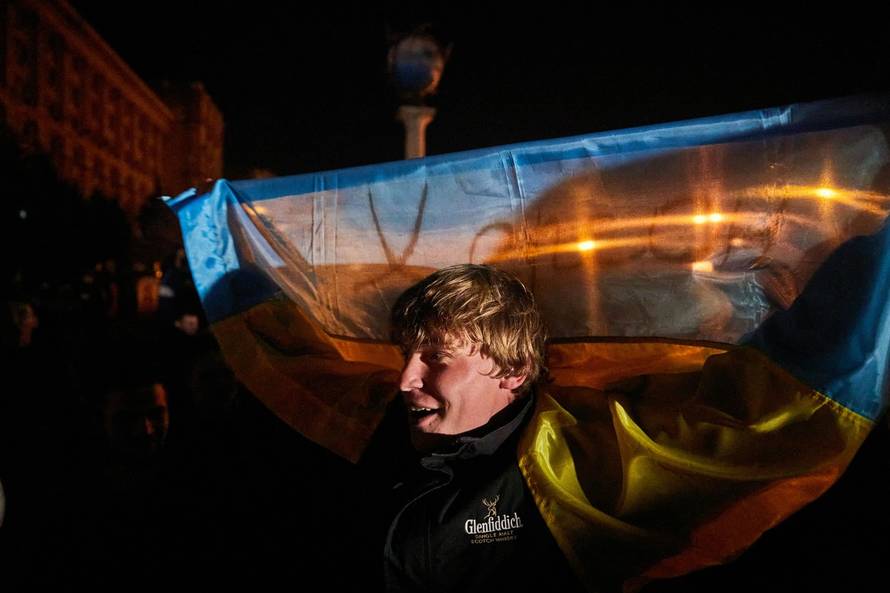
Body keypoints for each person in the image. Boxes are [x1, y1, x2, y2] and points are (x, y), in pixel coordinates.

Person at [384, 264, 584, 592]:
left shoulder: (569, 471)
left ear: (513, 369)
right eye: (406, 354)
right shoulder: (362, 436)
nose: (404, 379)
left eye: (437, 357)